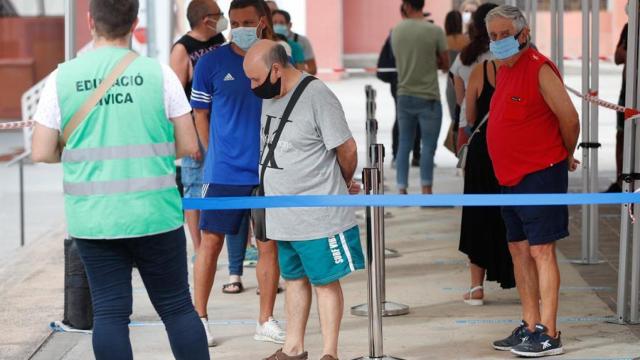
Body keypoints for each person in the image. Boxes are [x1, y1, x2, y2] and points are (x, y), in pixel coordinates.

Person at [30, 0, 209, 359]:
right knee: (177, 309)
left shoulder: (62, 78)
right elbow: (189, 144)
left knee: (110, 313)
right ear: (134, 21)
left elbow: (41, 151)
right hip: (155, 214)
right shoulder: (159, 74)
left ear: (90, 20)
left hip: (94, 220)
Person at [244, 40, 364, 360]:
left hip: (317, 213)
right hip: (282, 213)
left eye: (255, 79)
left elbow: (347, 148)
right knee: (294, 279)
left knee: (324, 281)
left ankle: (330, 353)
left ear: (276, 69)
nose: (251, 86)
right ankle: (293, 349)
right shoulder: (270, 95)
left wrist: (342, 181)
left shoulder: (317, 95)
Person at [485, 5, 580, 357]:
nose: (498, 42)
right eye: (493, 36)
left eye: (504, 35)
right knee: (518, 249)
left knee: (541, 250)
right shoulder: (503, 69)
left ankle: (550, 332)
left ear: (523, 33)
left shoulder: (539, 68)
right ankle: (529, 325)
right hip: (509, 177)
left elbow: (569, 119)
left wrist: (565, 152)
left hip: (541, 174)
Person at [191, 0, 284, 346]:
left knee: (267, 246)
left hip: (268, 173)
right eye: (234, 21)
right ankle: (198, 318)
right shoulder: (211, 63)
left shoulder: (279, 60)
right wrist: (212, 153)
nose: (239, 27)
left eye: (247, 21)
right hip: (224, 173)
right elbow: (200, 113)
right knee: (210, 244)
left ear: (263, 22)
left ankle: (266, 320)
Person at [457, 2, 515, 306]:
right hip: (514, 150)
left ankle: (476, 288)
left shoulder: (482, 68)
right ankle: (523, 280)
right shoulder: (529, 67)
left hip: (483, 151)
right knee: (515, 216)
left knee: (478, 215)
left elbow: (469, 115)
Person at [170, 0, 227, 254]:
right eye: (220, 15)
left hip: (222, 126)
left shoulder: (219, 39)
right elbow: (176, 99)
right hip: (195, 126)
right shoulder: (183, 49)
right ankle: (199, 247)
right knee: (194, 187)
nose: (224, 19)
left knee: (223, 183)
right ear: (207, 19)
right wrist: (189, 136)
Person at [392, 0, 449, 194]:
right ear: (422, 6)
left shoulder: (396, 31)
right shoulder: (434, 31)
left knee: (404, 144)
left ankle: (401, 188)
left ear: (407, 6)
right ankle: (426, 190)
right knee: (428, 147)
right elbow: (445, 63)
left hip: (404, 94)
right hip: (429, 96)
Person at [376, 4, 421, 167]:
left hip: (400, 81)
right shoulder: (421, 31)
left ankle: (402, 155)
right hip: (411, 81)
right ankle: (410, 155)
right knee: (413, 117)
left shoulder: (395, 33)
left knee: (403, 117)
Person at [451, 4, 494, 152]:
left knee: (470, 173)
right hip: (498, 126)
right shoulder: (502, 56)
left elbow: (459, 98)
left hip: (467, 124)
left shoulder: (463, 56)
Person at [606, 6, 630, 193]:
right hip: (627, 94)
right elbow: (618, 56)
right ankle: (620, 181)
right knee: (621, 135)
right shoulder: (629, 28)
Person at [444, 10, 469, 153]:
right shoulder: (467, 41)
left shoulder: (443, 40)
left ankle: (456, 147)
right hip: (464, 82)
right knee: (464, 118)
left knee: (454, 119)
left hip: (450, 84)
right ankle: (461, 148)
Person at [268, 5, 317, 75]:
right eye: (274, 23)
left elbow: (302, 72)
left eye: (281, 23)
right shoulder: (264, 43)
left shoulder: (296, 46)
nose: (277, 25)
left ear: (289, 25)